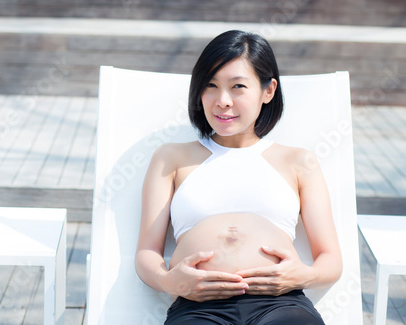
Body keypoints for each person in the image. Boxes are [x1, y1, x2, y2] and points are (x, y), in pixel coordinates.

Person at [135, 30, 342, 324]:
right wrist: (168, 281)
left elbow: (331, 259)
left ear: (268, 91)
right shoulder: (171, 158)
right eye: (211, 85)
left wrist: (302, 275)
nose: (222, 101)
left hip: (281, 304)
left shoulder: (298, 161)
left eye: (238, 87)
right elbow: (146, 252)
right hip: (197, 306)